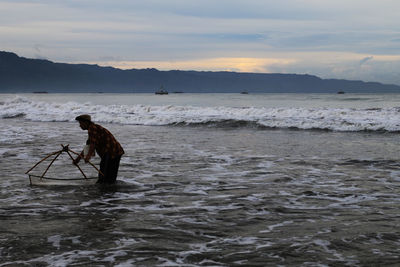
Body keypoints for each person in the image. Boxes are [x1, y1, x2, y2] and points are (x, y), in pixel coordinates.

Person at [73, 114, 124, 184]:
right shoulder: (93, 128)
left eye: (81, 123)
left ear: (86, 122)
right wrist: (78, 159)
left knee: (104, 175)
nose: (80, 125)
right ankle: (109, 191)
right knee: (108, 175)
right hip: (115, 151)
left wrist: (88, 156)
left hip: (111, 151)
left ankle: (106, 190)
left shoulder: (92, 128)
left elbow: (92, 144)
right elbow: (88, 146)